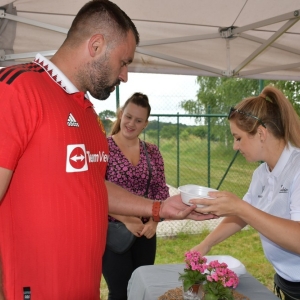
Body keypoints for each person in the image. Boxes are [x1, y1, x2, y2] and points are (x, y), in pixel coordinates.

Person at [0, 1, 214, 299]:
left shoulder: (88, 113)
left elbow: (93, 186)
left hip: (86, 287)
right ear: (96, 45)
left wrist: (159, 208)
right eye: (123, 62)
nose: (125, 75)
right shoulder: (16, 90)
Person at [190, 86, 300, 300]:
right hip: (287, 283)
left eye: (238, 138)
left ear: (261, 133)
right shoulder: (261, 173)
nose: (234, 146)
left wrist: (240, 207)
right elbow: (240, 216)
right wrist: (205, 244)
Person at [102, 92, 170, 300]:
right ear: (121, 114)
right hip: (113, 234)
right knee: (120, 293)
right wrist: (126, 219)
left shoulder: (152, 152)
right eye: (128, 117)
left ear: (145, 125)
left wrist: (154, 222)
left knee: (142, 290)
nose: (131, 123)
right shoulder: (102, 147)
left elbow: (161, 192)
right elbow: (95, 192)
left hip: (146, 233)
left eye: (138, 120)